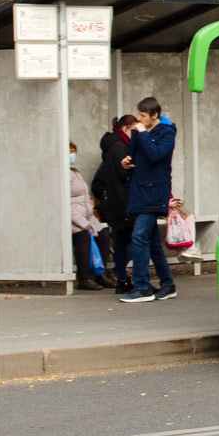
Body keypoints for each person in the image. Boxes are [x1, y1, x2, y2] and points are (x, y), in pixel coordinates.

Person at [119, 96, 178, 303]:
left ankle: (143, 287)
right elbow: (136, 155)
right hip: (139, 190)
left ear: (155, 116)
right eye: (139, 115)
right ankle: (167, 284)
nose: (139, 119)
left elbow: (155, 154)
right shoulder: (138, 132)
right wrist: (127, 162)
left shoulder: (167, 132)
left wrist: (143, 134)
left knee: (139, 236)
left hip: (154, 192)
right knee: (152, 242)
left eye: (143, 116)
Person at [91, 115, 137, 293]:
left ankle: (121, 277)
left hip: (116, 202)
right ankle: (120, 272)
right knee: (138, 238)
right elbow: (124, 176)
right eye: (135, 129)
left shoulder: (115, 146)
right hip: (121, 202)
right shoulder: (120, 148)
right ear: (126, 129)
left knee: (124, 239)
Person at [70, 142, 115, 290]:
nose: (72, 155)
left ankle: (99, 273)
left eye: (73, 151)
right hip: (72, 216)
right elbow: (65, 203)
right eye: (69, 151)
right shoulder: (60, 173)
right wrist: (83, 222)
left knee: (102, 234)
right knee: (83, 235)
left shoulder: (75, 171)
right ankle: (84, 277)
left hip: (87, 213)